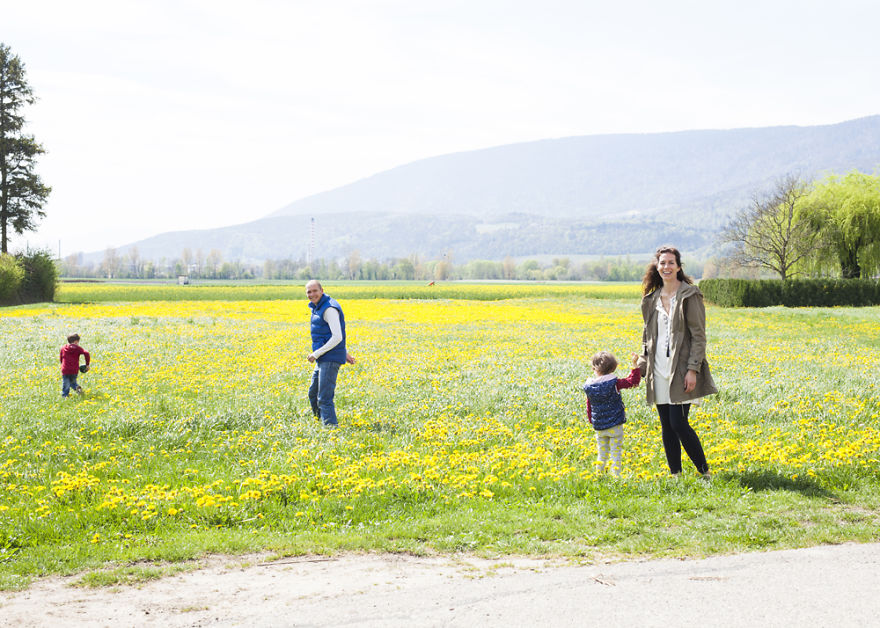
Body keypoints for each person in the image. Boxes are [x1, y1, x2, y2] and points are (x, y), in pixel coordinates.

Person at [638, 245, 717, 478]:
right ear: (657, 266)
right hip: (658, 368)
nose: (666, 267)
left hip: (680, 369)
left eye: (671, 262)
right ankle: (676, 475)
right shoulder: (650, 300)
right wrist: (642, 362)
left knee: (678, 423)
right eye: (662, 263)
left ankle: (705, 472)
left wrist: (693, 369)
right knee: (666, 425)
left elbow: (699, 336)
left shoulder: (689, 295)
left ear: (679, 266)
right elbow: (647, 335)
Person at [583, 350, 641, 477]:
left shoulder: (589, 386)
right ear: (613, 368)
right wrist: (634, 364)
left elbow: (589, 406)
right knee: (616, 452)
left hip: (599, 426)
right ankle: (616, 476)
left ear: (593, 368)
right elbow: (634, 382)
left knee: (601, 452)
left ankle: (599, 474)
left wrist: (592, 421)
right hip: (615, 425)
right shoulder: (615, 383)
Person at [305, 280, 355, 427]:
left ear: (322, 290)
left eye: (315, 291)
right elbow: (330, 334)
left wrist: (316, 354)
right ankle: (320, 421)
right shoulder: (319, 307)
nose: (312, 294)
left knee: (324, 398)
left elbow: (337, 336)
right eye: (309, 292)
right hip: (325, 356)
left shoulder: (329, 309)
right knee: (313, 393)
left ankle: (331, 430)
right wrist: (344, 352)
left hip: (329, 358)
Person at [60, 333, 90, 397]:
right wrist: (87, 364)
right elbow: (86, 353)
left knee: (66, 383)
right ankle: (77, 388)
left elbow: (61, 358)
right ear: (76, 341)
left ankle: (65, 396)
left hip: (65, 369)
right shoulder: (77, 348)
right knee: (72, 382)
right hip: (74, 369)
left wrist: (62, 365)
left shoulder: (63, 348)